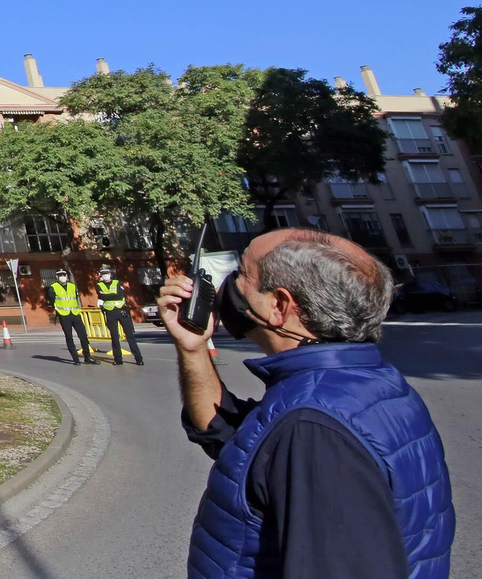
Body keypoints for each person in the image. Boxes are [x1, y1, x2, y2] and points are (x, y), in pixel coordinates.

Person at [158, 229, 453, 579]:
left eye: (242, 274)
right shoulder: (360, 383)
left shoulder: (312, 427)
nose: (229, 286)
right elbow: (233, 441)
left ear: (279, 306)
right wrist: (193, 349)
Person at [46, 268, 97, 365]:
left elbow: (76, 298)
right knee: (69, 337)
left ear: (67, 276)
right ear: (57, 277)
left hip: (75, 313)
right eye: (60, 275)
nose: (62, 277)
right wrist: (58, 311)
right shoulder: (53, 287)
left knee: (83, 336)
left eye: (64, 275)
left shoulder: (72, 286)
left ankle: (87, 357)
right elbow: (52, 301)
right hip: (64, 315)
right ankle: (75, 359)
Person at [95, 265, 142, 365]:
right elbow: (101, 295)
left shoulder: (117, 283)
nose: (105, 276)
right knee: (114, 336)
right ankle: (118, 359)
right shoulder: (99, 285)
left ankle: (138, 358)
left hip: (121, 311)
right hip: (110, 312)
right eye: (103, 274)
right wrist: (109, 296)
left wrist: (107, 296)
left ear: (110, 274)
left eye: (107, 273)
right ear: (101, 276)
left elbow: (119, 295)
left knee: (130, 335)